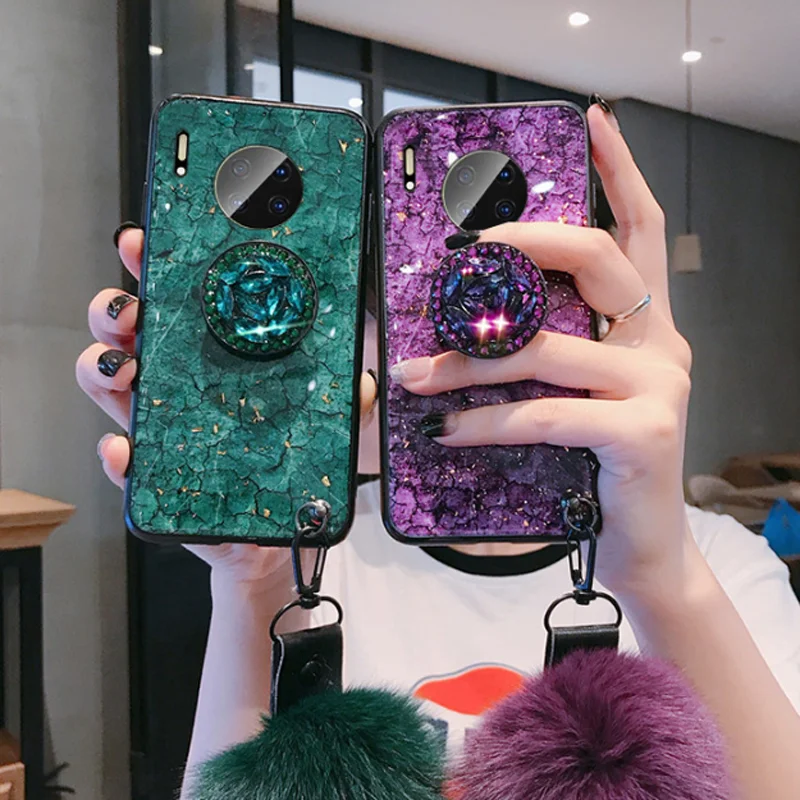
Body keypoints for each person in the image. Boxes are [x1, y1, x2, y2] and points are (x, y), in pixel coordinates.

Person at [77, 100, 800, 799]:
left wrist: (657, 574)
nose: (473, 340)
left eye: (519, 297)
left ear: (597, 318)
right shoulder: (316, 548)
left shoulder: (717, 566)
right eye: (396, 307)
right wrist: (251, 587)